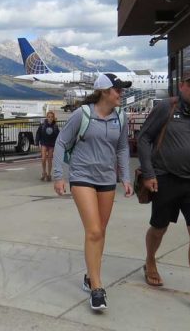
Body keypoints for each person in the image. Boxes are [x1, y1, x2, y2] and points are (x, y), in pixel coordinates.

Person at [137, 68, 190, 318]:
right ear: (181, 86)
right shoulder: (166, 108)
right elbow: (143, 138)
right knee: (159, 227)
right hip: (165, 179)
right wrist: (150, 174)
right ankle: (150, 259)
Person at [53, 73, 134, 312]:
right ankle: (97, 287)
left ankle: (91, 275)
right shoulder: (83, 114)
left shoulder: (121, 116)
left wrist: (126, 177)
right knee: (94, 230)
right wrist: (59, 175)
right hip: (82, 177)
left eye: (122, 90)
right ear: (104, 92)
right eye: (118, 90)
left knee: (101, 232)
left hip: (107, 178)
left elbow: (122, 147)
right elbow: (61, 142)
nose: (121, 93)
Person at [36, 111, 60, 181]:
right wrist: (37, 143)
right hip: (44, 143)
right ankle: (44, 172)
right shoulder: (43, 125)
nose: (50, 118)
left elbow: (58, 136)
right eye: (49, 117)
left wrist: (59, 144)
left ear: (53, 118)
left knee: (49, 159)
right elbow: (38, 134)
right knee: (43, 158)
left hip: (51, 144)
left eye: (52, 117)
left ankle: (49, 174)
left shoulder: (55, 126)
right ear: (47, 117)